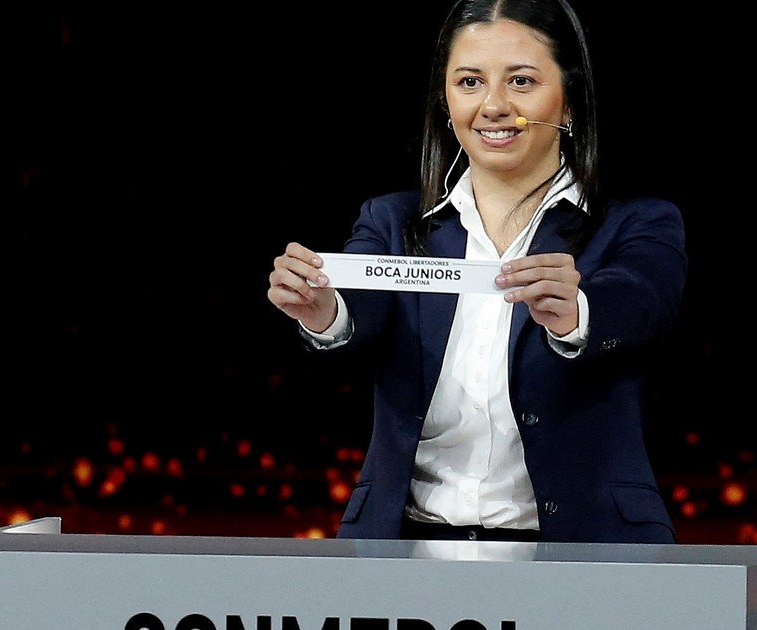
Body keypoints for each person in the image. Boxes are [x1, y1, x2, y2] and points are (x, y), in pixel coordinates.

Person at [267, 0, 687, 544]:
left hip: (586, 549)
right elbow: (360, 302)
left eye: (521, 81)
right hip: (405, 548)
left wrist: (578, 311)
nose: (494, 106)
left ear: (570, 102)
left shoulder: (639, 223)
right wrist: (325, 311)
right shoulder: (390, 219)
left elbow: (641, 299)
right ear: (446, 102)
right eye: (470, 82)